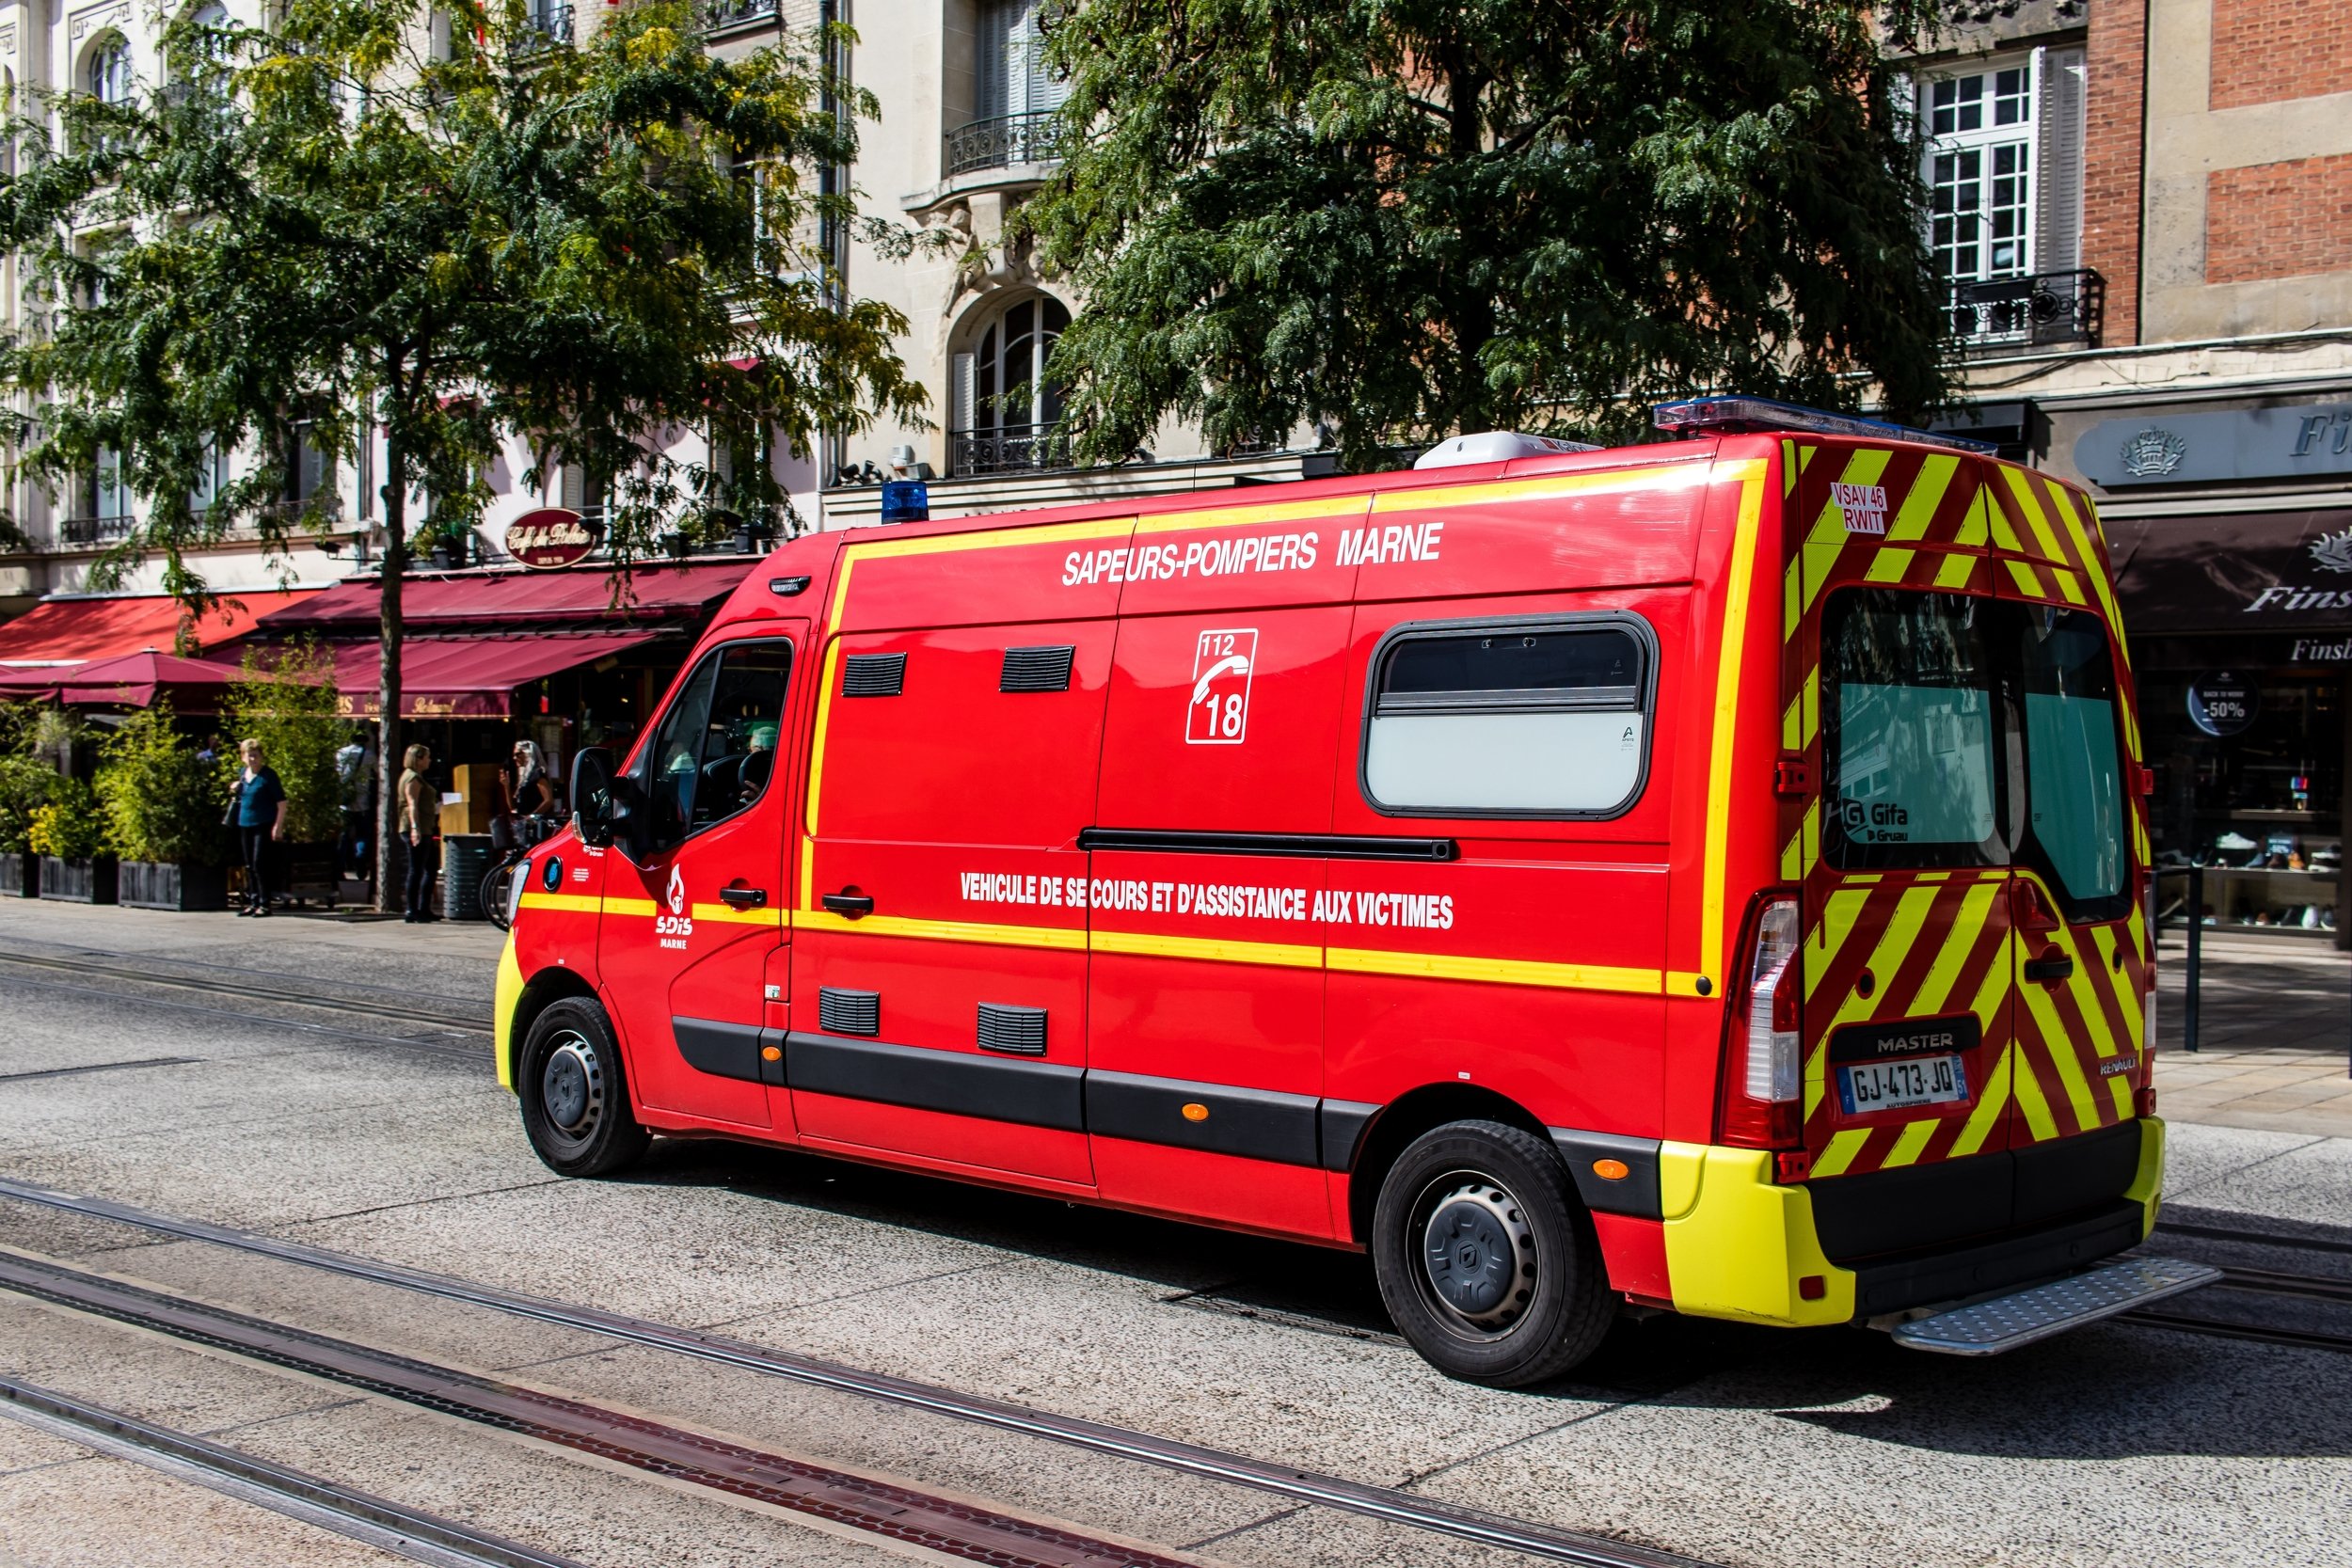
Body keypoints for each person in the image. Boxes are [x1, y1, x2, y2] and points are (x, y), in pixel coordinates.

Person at [232, 739, 287, 917]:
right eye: (249, 756)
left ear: (262, 757)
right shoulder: (243, 773)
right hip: (244, 822)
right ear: (243, 757)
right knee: (248, 864)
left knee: (259, 863)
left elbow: (282, 802)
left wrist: (278, 826)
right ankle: (253, 901)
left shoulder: (268, 776)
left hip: (262, 823)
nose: (253, 759)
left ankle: (265, 903)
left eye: (256, 756)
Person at [399, 743, 439, 924]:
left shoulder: (417, 777)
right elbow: (412, 804)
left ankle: (424, 908)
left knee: (430, 868)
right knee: (416, 869)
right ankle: (412, 909)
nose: (429, 760)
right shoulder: (412, 778)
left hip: (425, 827)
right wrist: (415, 828)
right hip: (418, 829)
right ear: (419, 759)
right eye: (427, 757)